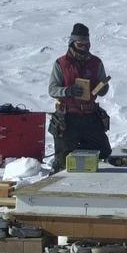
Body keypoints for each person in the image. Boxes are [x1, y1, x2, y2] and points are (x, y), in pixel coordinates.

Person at [47, 23, 112, 173]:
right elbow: (52, 89)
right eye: (80, 44)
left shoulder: (96, 63)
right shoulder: (61, 64)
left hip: (90, 116)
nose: (84, 47)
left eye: (87, 44)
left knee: (103, 153)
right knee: (64, 161)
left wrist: (103, 88)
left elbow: (102, 89)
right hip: (68, 118)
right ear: (72, 43)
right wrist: (68, 91)